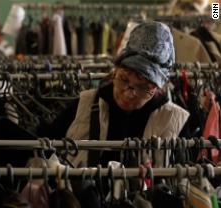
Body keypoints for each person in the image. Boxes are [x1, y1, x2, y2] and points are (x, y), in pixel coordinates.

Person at [53, 21, 189, 167]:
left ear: (157, 87)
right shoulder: (84, 105)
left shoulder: (174, 120)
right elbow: (44, 148)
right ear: (115, 70)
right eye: (124, 80)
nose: (129, 94)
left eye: (143, 88)